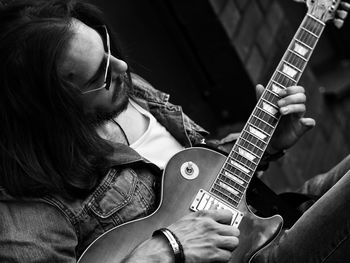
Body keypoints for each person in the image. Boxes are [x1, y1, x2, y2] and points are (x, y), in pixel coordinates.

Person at [0, 0, 349, 262]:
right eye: (99, 76)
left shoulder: (125, 88)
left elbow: (199, 181)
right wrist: (165, 247)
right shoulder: (29, 208)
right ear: (51, 109)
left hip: (267, 215)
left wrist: (266, 145)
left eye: (106, 48)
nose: (121, 67)